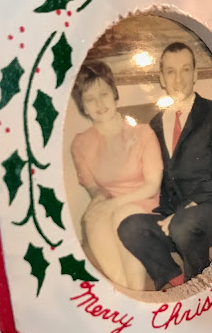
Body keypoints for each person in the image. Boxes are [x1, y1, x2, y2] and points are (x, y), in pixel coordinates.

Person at [117, 42, 212, 290]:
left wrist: (184, 210)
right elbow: (154, 177)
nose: (179, 80)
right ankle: (174, 279)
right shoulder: (155, 123)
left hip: (211, 211)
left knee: (183, 225)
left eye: (185, 70)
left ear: (195, 74)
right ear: (162, 78)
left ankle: (198, 287)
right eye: (171, 72)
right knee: (129, 227)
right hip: (173, 215)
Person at [70, 60, 163, 289]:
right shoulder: (80, 144)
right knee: (93, 220)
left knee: (124, 216)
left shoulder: (143, 133)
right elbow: (94, 188)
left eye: (103, 93)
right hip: (112, 204)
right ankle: (128, 296)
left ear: (113, 93)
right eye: (90, 99)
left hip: (145, 205)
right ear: (83, 106)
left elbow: (152, 185)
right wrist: (99, 202)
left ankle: (136, 290)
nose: (99, 103)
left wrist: (112, 205)